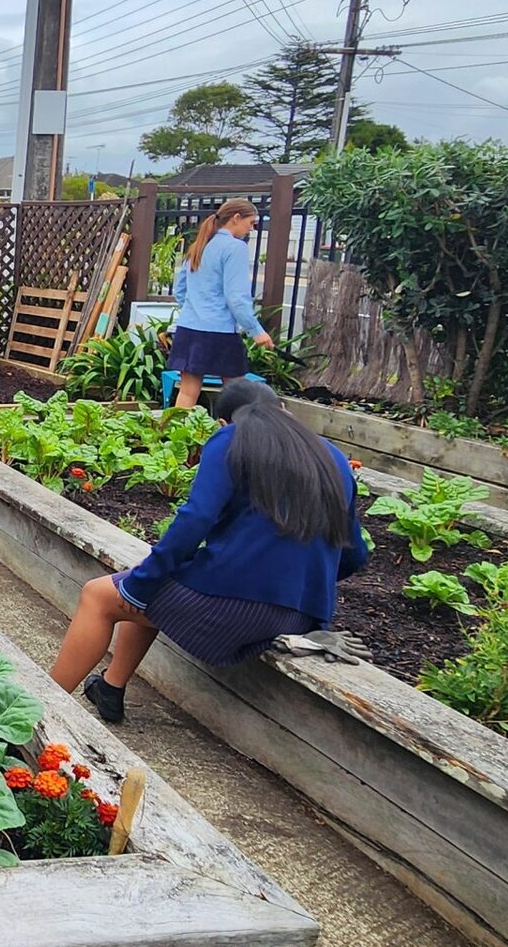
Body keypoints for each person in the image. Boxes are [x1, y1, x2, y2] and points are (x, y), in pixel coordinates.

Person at [50, 378, 366, 724]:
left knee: (98, 596)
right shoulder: (331, 456)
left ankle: (40, 709)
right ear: (284, 410)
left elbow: (196, 518)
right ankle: (110, 689)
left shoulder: (233, 438)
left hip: (232, 609)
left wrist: (139, 585)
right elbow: (354, 555)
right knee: (150, 578)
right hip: (300, 617)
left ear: (222, 422)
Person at [166, 198, 271, 411]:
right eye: (251, 223)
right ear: (236, 218)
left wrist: (196, 309)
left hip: (188, 329)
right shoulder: (235, 248)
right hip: (219, 332)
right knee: (239, 394)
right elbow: (236, 297)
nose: (251, 229)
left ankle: (170, 441)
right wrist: (256, 331)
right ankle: (239, 439)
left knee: (187, 393)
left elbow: (180, 291)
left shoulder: (200, 246)